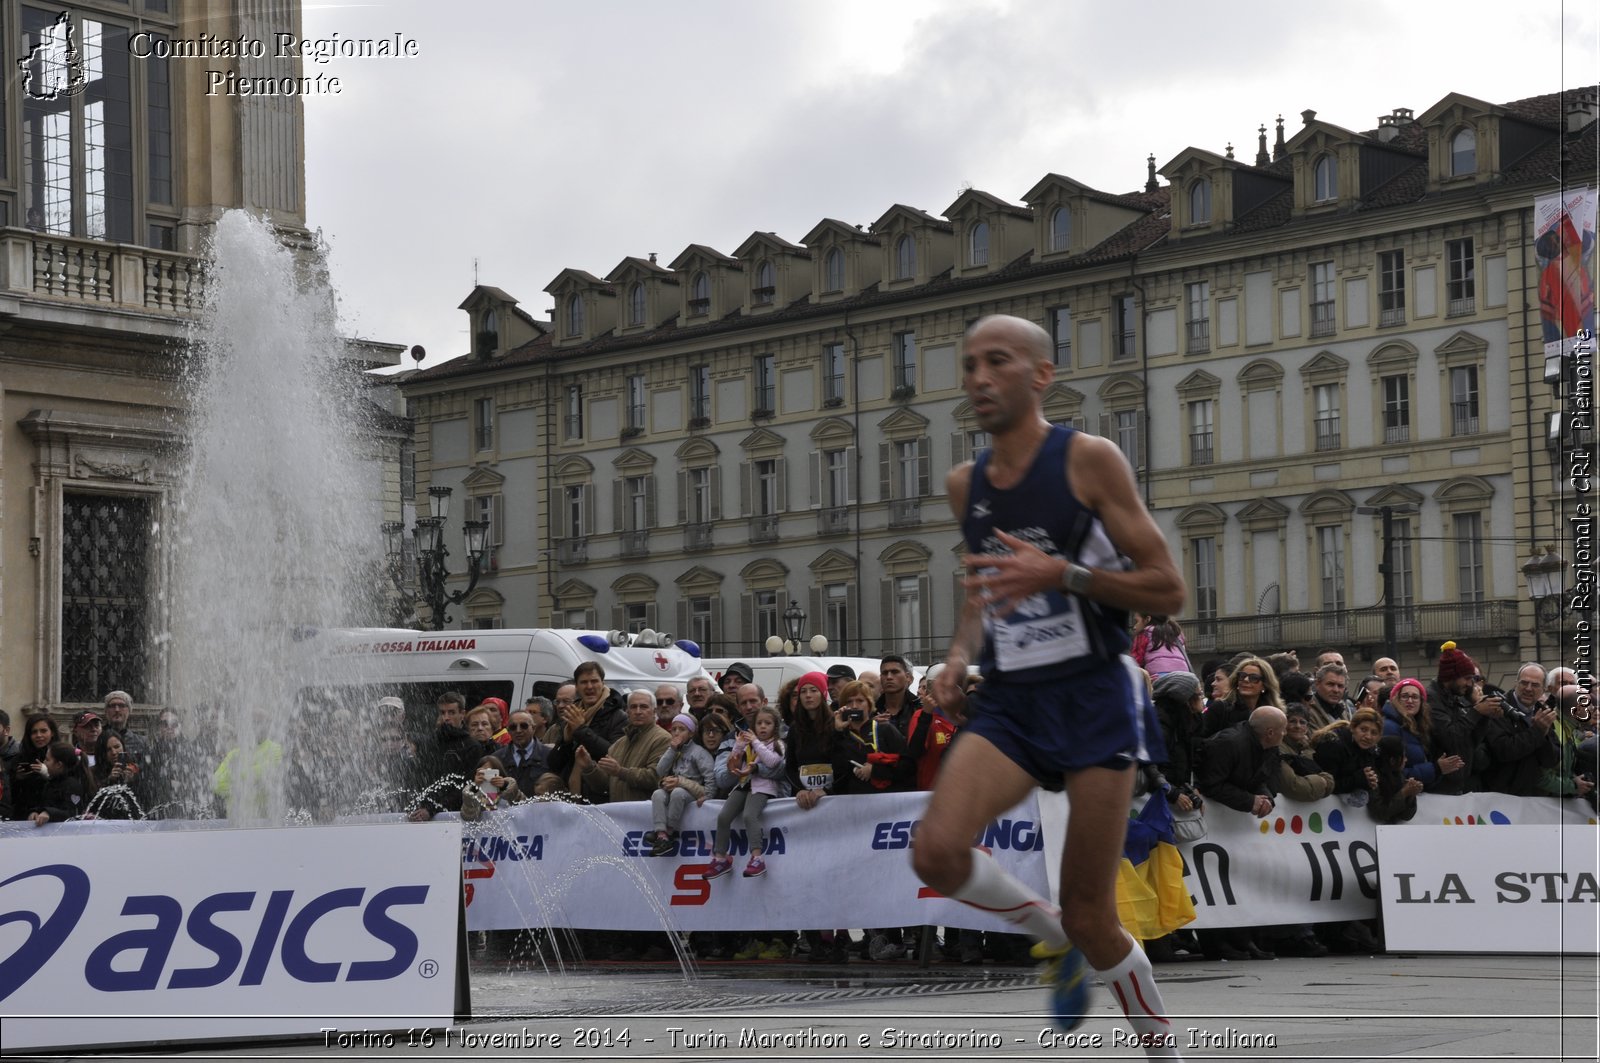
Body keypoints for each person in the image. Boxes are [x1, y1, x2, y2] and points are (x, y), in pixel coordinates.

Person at [912, 315, 1187, 1054]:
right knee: (934, 851)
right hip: (1013, 699)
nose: (977, 378)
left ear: (1041, 375)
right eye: (968, 364)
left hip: (1095, 693)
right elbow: (983, 590)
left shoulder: (1089, 461)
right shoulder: (964, 484)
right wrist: (958, 655)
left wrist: (1062, 573)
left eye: (996, 362)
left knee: (1096, 912)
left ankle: (1166, 1047)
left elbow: (1168, 589)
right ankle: (1052, 938)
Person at [707, 705, 787, 880]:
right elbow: (733, 762)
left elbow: (772, 761)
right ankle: (720, 858)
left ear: (775, 727)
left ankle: (757, 857)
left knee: (749, 816)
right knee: (723, 817)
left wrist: (755, 742)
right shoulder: (750, 744)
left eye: (768, 723)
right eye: (759, 723)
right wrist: (738, 746)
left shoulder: (777, 744)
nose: (763, 727)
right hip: (744, 785)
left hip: (763, 788)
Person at [573, 688, 670, 804]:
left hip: (647, 815)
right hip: (619, 815)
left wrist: (620, 771)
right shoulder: (618, 745)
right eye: (633, 707)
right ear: (627, 712)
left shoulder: (663, 739)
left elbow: (657, 778)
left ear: (654, 711)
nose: (638, 711)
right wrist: (589, 767)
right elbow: (604, 787)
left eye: (643, 707)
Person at [646, 713, 716, 855]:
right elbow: (660, 770)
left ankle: (671, 830)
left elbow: (710, 777)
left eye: (682, 729)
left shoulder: (699, 753)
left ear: (690, 733)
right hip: (674, 786)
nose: (677, 732)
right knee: (658, 794)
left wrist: (708, 795)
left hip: (692, 790)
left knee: (678, 793)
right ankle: (661, 833)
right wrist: (672, 750)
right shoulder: (673, 750)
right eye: (674, 729)